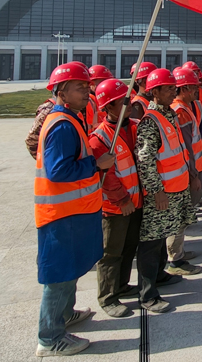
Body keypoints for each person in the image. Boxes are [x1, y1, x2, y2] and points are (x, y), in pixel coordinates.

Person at [34, 62, 111, 357]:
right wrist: (95, 164)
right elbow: (57, 171)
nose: (87, 92)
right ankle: (50, 337)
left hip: (75, 211)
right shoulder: (62, 124)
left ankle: (66, 315)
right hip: (61, 216)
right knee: (59, 276)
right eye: (80, 87)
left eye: (87, 87)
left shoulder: (71, 118)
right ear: (62, 91)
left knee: (71, 270)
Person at [135, 68, 198, 313]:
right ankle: (148, 294)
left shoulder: (169, 114)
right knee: (151, 243)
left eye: (174, 87)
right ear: (155, 92)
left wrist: (191, 174)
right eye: (169, 88)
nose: (174, 90)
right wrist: (156, 191)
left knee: (163, 237)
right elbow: (145, 160)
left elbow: (179, 149)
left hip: (176, 190)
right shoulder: (150, 121)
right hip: (161, 195)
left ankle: (160, 275)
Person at [88, 78, 141, 318]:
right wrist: (122, 200)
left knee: (129, 247)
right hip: (116, 207)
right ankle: (108, 297)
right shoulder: (99, 138)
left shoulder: (134, 126)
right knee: (111, 253)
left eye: (128, 100)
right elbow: (108, 178)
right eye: (122, 102)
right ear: (108, 107)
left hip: (136, 202)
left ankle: (121, 285)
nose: (128, 105)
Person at [167, 67, 202, 276]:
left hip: (194, 169)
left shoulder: (185, 107)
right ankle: (175, 260)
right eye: (193, 88)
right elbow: (186, 147)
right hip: (188, 173)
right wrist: (193, 176)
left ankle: (179, 252)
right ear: (185, 88)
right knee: (180, 217)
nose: (196, 91)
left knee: (184, 215)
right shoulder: (180, 111)